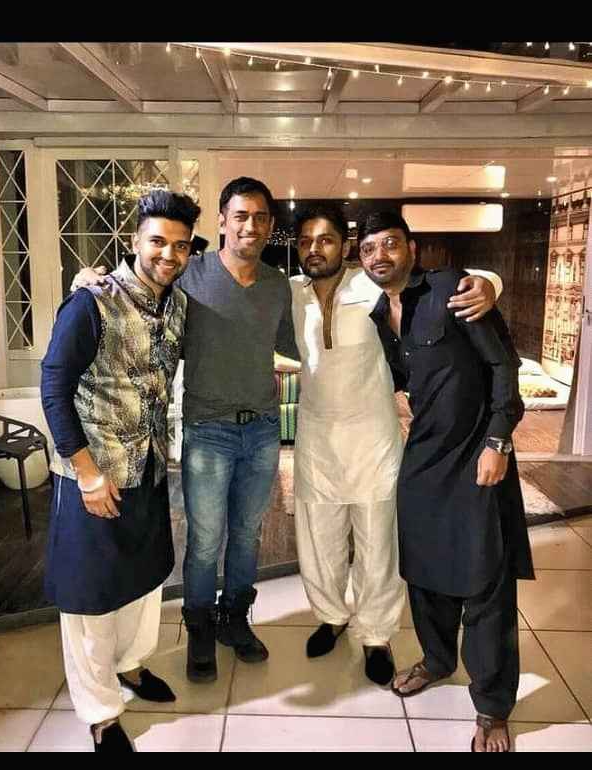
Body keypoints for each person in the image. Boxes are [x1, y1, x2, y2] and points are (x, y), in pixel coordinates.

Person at [72, 177, 300, 684]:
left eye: (261, 217)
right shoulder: (188, 274)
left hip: (263, 429)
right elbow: (135, 290)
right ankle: (199, 624)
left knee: (247, 533)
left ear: (269, 225)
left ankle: (234, 618)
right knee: (206, 537)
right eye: (240, 215)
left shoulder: (276, 283)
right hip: (208, 430)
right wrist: (89, 277)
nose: (251, 225)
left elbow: (289, 345)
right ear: (222, 221)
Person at [290, 204, 498, 686]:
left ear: (344, 247)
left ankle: (375, 634)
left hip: (373, 437)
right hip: (316, 437)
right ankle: (331, 615)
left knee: (377, 542)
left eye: (325, 240)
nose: (314, 249)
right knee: (318, 538)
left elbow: (446, 285)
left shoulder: (372, 285)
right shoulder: (293, 292)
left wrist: (488, 284)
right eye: (305, 241)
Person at [361, 211, 534, 752]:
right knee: (424, 571)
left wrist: (498, 441)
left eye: (390, 243)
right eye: (368, 248)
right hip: (423, 458)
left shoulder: (453, 290)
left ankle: (492, 708)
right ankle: (437, 660)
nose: (380, 256)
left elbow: (504, 366)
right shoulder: (378, 314)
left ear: (411, 248)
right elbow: (404, 378)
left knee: (485, 580)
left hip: (478, 454)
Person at [41, 189, 200, 753]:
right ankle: (101, 713)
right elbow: (54, 390)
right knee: (90, 597)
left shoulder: (177, 305)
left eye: (180, 246)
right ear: (134, 241)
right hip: (96, 476)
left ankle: (131, 665)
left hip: (149, 468)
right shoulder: (91, 302)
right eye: (157, 241)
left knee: (144, 579)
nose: (168, 254)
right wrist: (86, 472)